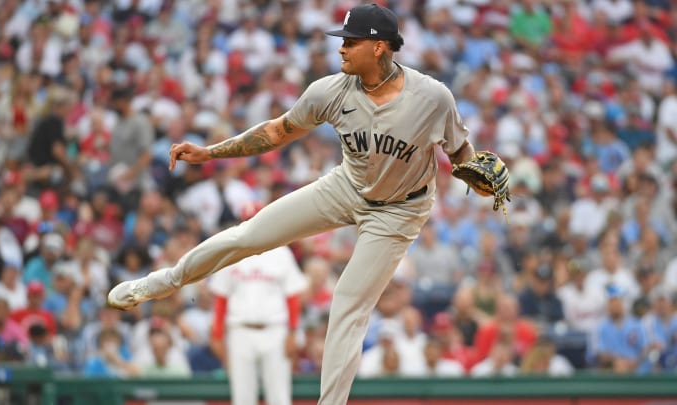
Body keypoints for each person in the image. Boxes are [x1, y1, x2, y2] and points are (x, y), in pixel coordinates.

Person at [108, 4, 499, 403]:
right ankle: (165, 281)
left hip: (400, 209)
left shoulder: (432, 96)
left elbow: (461, 149)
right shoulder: (329, 91)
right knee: (251, 234)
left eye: (351, 41)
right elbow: (276, 132)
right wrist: (211, 153)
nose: (342, 49)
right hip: (347, 186)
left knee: (347, 305)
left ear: (380, 47)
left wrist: (477, 178)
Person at [209, 244, 307, 405]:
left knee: (279, 396)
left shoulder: (280, 252)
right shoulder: (231, 250)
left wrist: (293, 332)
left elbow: (293, 296)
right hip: (240, 330)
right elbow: (221, 297)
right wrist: (217, 335)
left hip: (275, 330)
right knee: (242, 397)